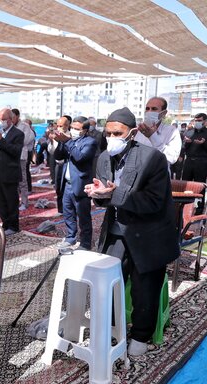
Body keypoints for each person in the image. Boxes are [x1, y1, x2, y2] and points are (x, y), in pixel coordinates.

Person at [85, 107, 179, 356]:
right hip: (116, 230)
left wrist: (112, 194)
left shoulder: (152, 159)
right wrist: (98, 194)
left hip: (148, 232)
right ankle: (113, 330)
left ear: (133, 133)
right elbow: (105, 196)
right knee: (109, 283)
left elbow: (153, 201)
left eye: (118, 133)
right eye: (108, 133)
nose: (112, 138)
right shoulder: (104, 157)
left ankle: (140, 335)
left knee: (144, 286)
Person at [54, 116, 97, 250]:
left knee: (83, 215)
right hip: (67, 184)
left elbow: (80, 157)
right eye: (72, 128)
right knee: (68, 213)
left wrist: (67, 142)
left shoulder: (90, 142)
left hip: (80, 184)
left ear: (84, 130)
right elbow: (58, 156)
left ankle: (85, 243)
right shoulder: (70, 141)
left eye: (76, 129)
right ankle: (70, 237)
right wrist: (61, 142)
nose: (73, 130)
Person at [0, 108, 24, 235]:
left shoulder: (18, 133)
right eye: (0, 119)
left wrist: (0, 140)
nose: (1, 122)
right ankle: (6, 224)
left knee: (11, 201)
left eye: (4, 119)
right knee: (1, 202)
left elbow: (15, 151)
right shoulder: (0, 132)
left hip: (10, 173)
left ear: (11, 119)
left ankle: (14, 226)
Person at [135, 97, 182, 168]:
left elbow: (172, 158)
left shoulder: (172, 131)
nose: (149, 111)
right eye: (147, 108)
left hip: (159, 175)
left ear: (163, 113)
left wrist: (153, 137)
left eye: (154, 109)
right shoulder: (141, 129)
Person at [182, 113, 207, 183]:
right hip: (188, 161)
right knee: (185, 185)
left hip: (201, 162)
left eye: (199, 120)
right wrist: (187, 143)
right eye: (196, 121)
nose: (197, 122)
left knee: (200, 186)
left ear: (205, 121)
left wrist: (204, 143)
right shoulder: (190, 132)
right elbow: (184, 148)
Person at [12, 109, 35, 209]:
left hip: (21, 155)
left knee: (22, 180)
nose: (11, 119)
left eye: (13, 116)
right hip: (11, 155)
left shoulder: (24, 126)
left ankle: (24, 202)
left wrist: (14, 141)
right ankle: (15, 201)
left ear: (17, 116)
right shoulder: (10, 126)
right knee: (14, 180)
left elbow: (27, 139)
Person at [48, 116, 71, 214]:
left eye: (61, 126)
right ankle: (60, 209)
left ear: (67, 125)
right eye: (57, 125)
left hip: (67, 164)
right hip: (58, 164)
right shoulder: (55, 135)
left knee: (67, 188)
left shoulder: (70, 135)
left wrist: (63, 140)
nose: (59, 127)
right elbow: (51, 151)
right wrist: (52, 141)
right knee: (58, 187)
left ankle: (68, 208)